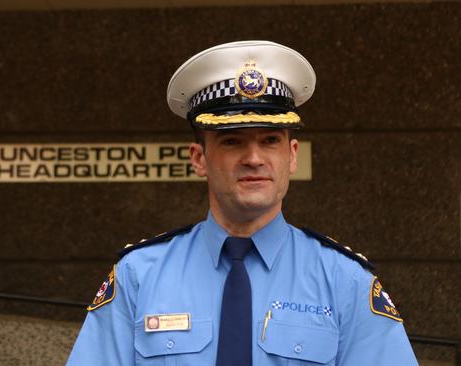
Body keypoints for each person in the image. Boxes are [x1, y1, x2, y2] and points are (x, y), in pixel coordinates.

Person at [67, 40, 418, 365]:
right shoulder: (139, 275)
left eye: (269, 140)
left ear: (291, 155)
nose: (254, 158)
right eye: (232, 141)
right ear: (199, 158)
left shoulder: (344, 280)